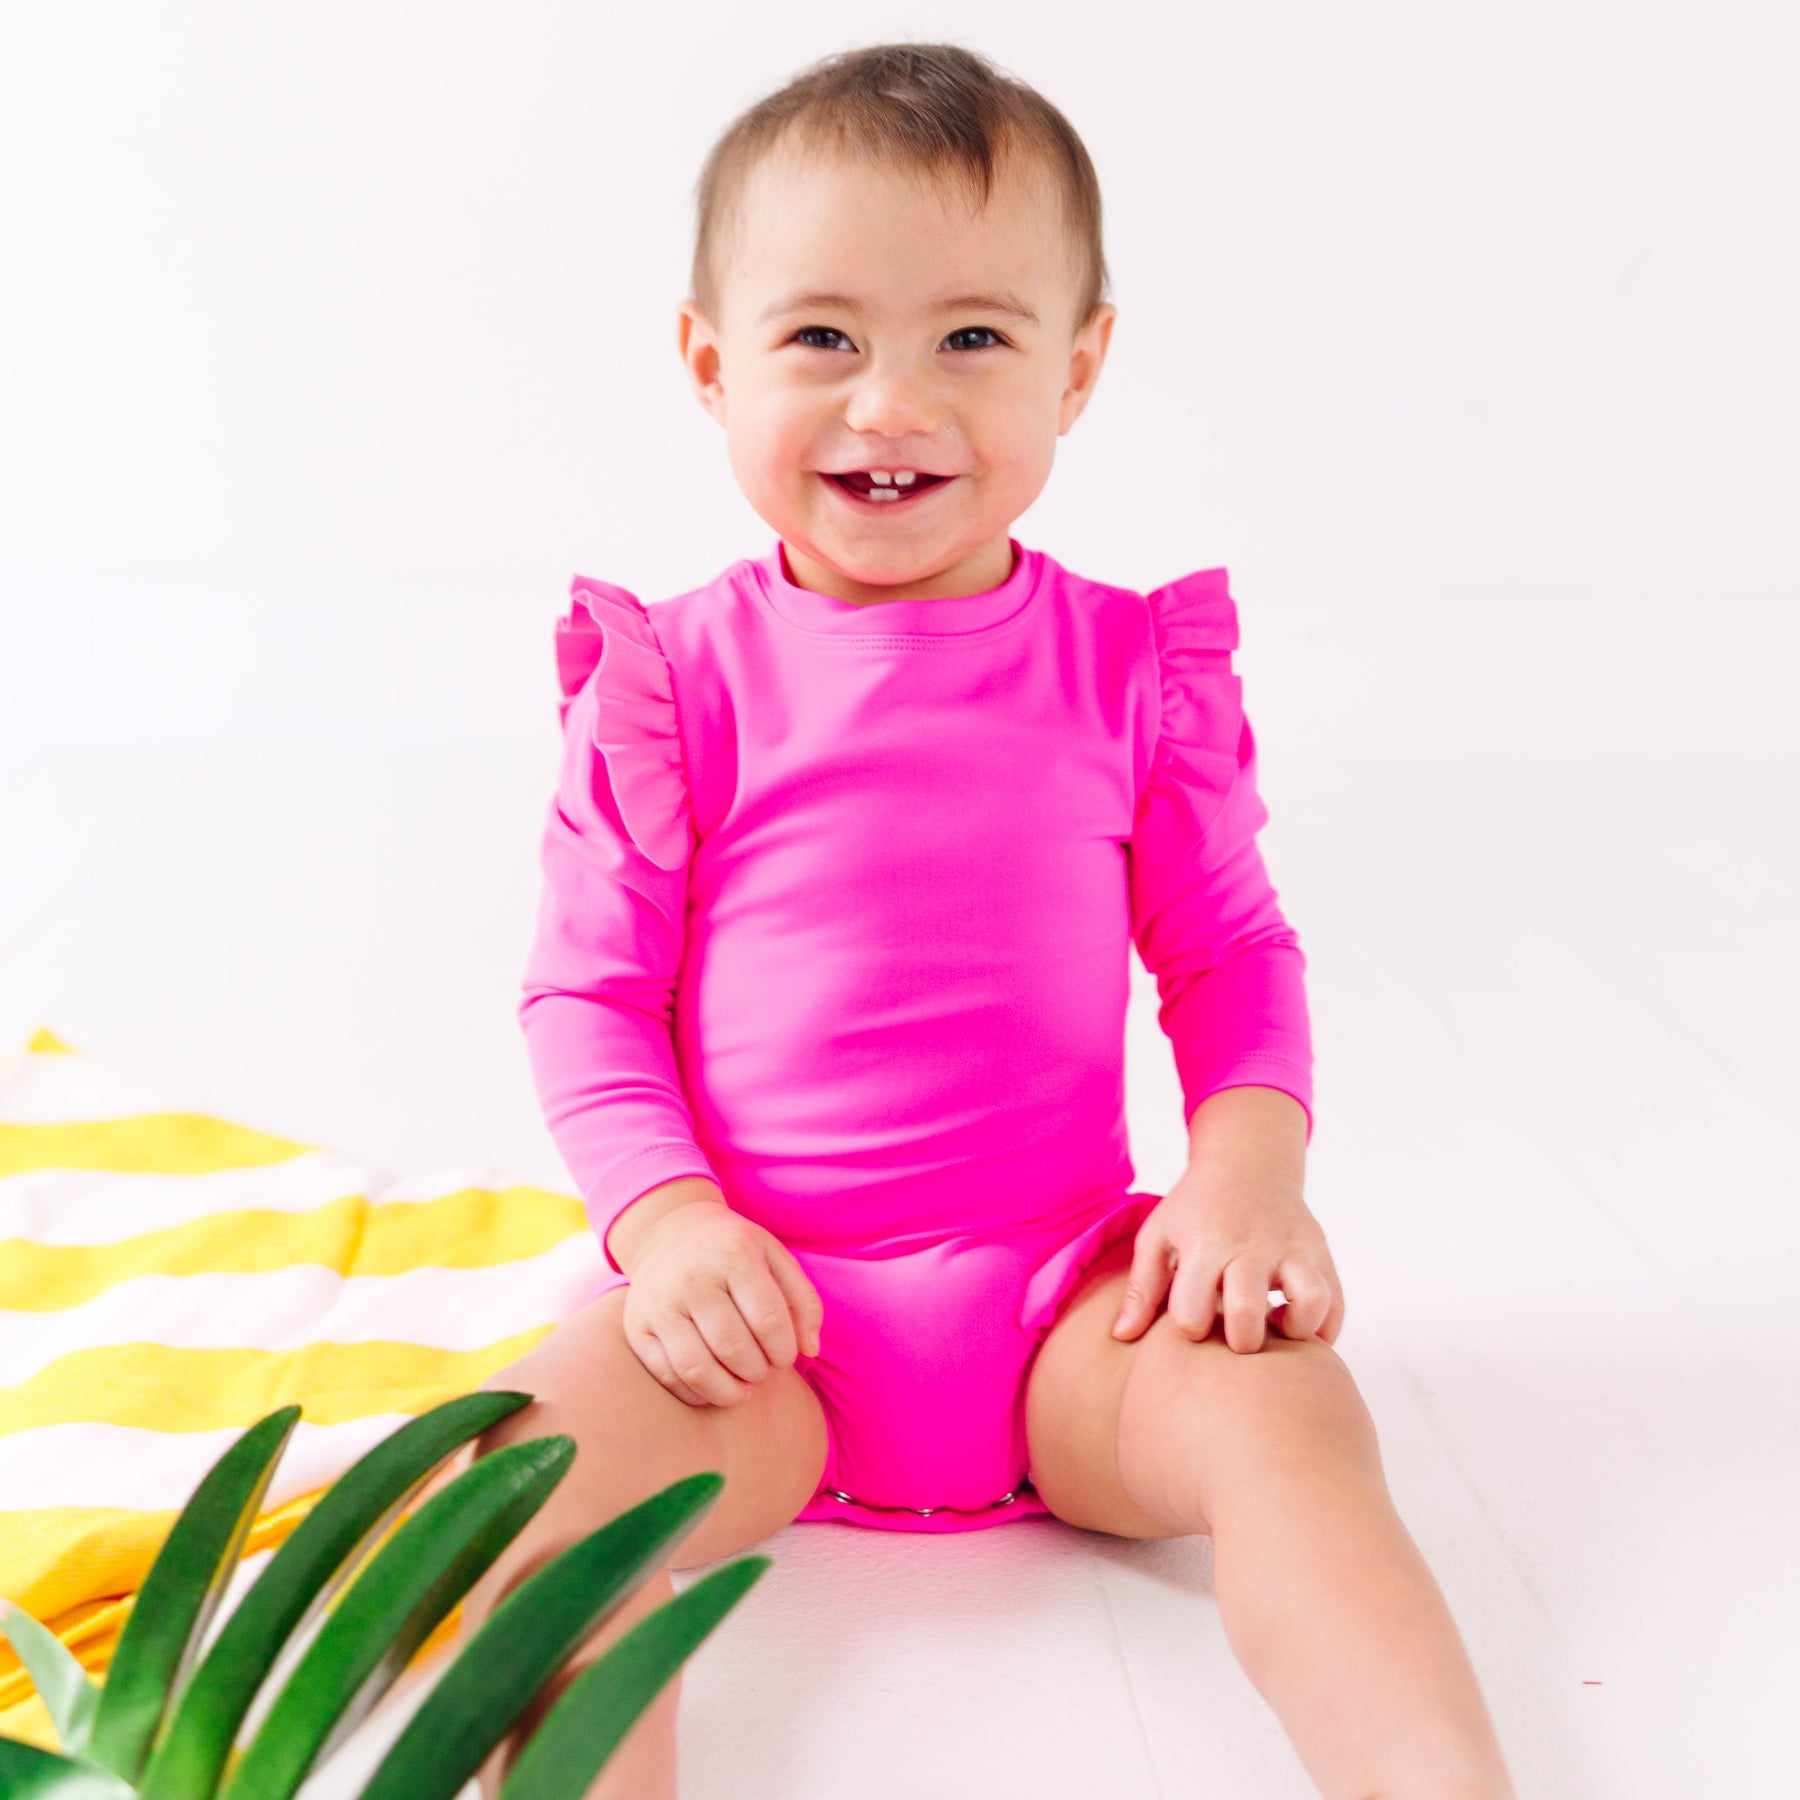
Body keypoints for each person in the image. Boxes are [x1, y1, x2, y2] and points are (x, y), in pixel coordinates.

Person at [456, 41, 1517, 1800]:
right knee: (527, 1500)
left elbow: (1231, 954)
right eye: (822, 337)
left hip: (1065, 1318)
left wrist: (1247, 1178)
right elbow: (589, 997)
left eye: (970, 337)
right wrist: (672, 1223)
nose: (891, 404)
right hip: (759, 1326)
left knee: (1295, 1422)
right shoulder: (675, 682)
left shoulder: (1129, 672)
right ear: (711, 364)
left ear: (1076, 368)